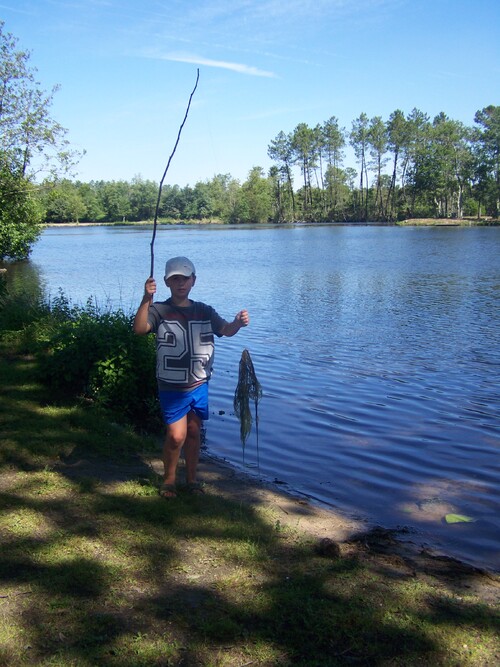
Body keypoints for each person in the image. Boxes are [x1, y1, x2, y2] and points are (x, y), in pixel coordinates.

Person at [133, 256, 249, 498]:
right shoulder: (159, 310)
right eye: (175, 279)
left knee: (194, 431)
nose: (180, 283)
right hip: (171, 386)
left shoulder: (204, 311)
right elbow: (140, 329)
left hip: (199, 383)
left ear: (193, 280)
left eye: (184, 278)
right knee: (176, 435)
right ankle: (169, 481)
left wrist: (237, 323)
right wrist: (146, 299)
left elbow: (225, 330)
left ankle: (192, 480)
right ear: (167, 283)